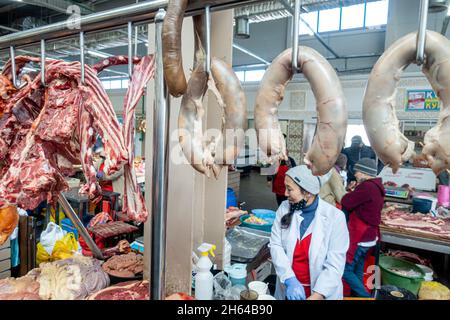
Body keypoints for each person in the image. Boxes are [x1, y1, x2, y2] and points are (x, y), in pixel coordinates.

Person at [269, 165, 349, 300]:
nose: (285, 194)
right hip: (289, 288)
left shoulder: (335, 217)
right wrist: (289, 279)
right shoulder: (284, 208)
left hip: (321, 292)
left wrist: (317, 295)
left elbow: (335, 265)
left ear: (308, 192)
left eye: (289, 189)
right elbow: (275, 245)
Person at [341, 158, 385, 298]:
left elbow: (346, 202)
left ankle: (365, 297)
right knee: (357, 269)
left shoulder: (367, 187)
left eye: (358, 172)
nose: (356, 175)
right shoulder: (376, 186)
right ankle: (358, 297)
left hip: (362, 236)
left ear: (365, 173)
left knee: (345, 270)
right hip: (370, 237)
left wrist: (350, 192)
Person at [267, 134, 297, 205]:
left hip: (287, 185)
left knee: (287, 200)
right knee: (279, 200)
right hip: (278, 185)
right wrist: (269, 180)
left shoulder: (290, 160)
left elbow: (295, 171)